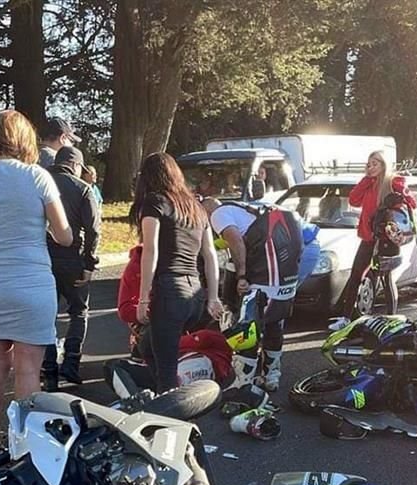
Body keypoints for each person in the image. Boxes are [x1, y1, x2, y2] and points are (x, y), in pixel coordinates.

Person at [0, 110, 72, 429]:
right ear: (25, 139)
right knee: (27, 370)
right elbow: (64, 236)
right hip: (31, 286)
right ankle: (25, 443)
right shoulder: (37, 176)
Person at [129, 152, 223, 392]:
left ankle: (172, 413)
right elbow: (210, 254)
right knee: (148, 347)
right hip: (195, 293)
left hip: (170, 290)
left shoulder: (154, 202)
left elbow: (150, 251)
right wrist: (213, 297)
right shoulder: (196, 208)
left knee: (166, 370)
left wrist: (142, 299)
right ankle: (167, 392)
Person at [203, 197, 302, 391]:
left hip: (264, 268)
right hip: (285, 270)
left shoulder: (218, 214)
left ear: (205, 212)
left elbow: (237, 243)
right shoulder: (245, 210)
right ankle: (271, 376)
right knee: (274, 323)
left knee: (247, 326)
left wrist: (241, 276)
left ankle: (243, 383)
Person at [41, 145, 101, 390]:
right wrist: (89, 262)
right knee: (78, 311)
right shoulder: (83, 189)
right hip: (73, 259)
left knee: (47, 315)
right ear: (76, 165)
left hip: (43, 260)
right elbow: (94, 230)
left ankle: (49, 371)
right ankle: (71, 363)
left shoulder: (41, 183)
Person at [335, 151, 415, 328]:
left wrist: (398, 198)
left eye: (374, 164)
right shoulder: (369, 184)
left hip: (387, 238)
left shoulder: (394, 182)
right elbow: (354, 200)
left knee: (386, 277)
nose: (370, 167)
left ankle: (392, 318)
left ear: (383, 164)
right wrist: (366, 179)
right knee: (356, 275)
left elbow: (411, 203)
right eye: (368, 164)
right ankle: (346, 318)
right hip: (369, 237)